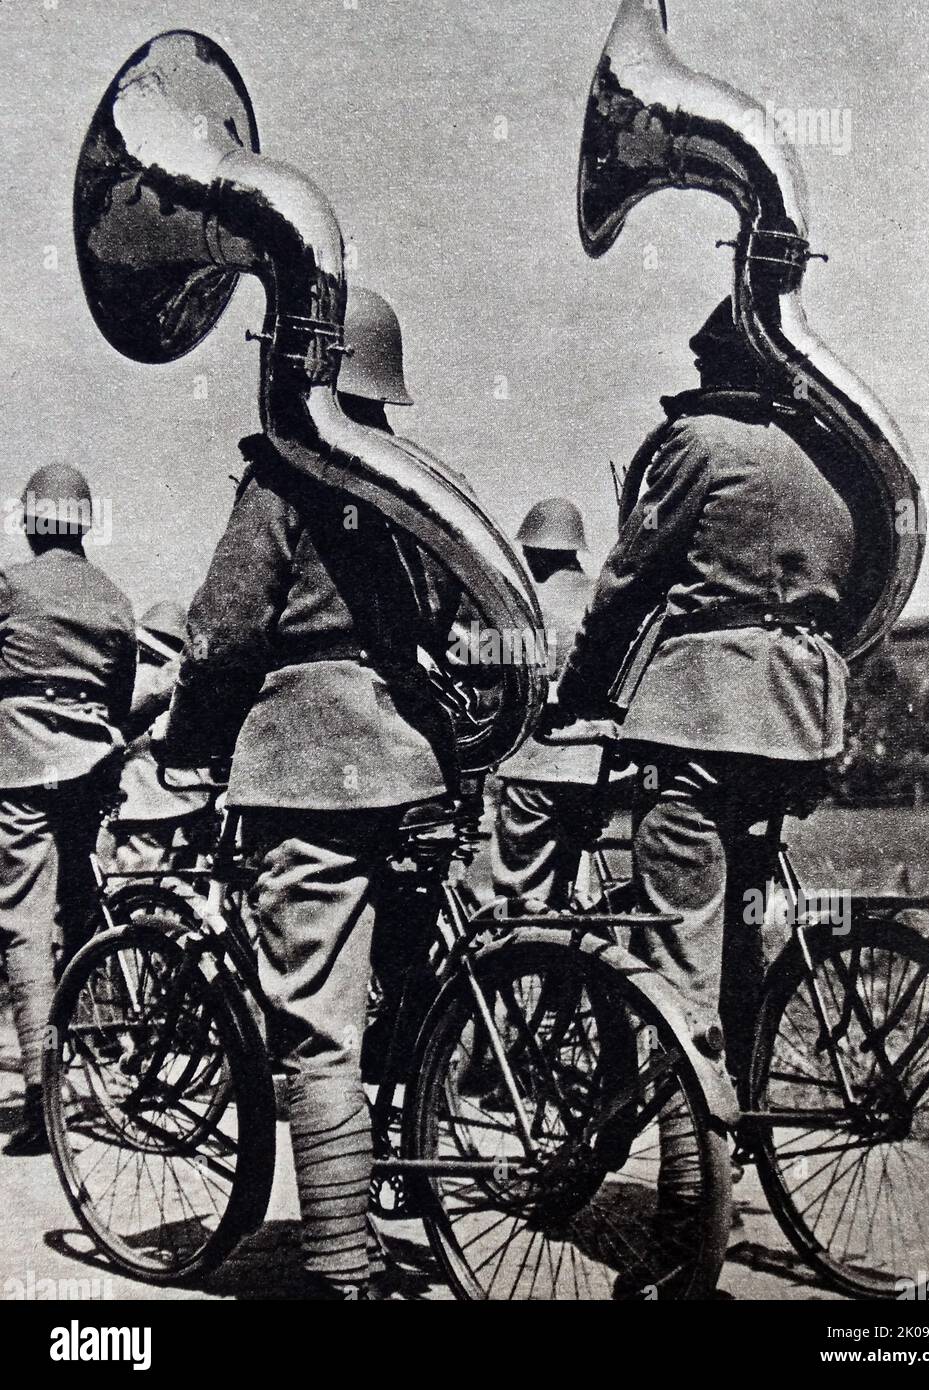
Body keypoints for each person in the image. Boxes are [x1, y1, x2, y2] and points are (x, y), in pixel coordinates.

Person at [162, 288, 455, 1298]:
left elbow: (223, 631)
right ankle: (405, 1176)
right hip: (413, 763)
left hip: (309, 765)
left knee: (318, 1021)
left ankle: (339, 1261)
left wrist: (186, 745)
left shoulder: (283, 477)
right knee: (400, 996)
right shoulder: (417, 485)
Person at [552, 297, 857, 1076]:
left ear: (717, 367)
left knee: (675, 953)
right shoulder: (828, 465)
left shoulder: (700, 442)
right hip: (799, 721)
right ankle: (744, 1122)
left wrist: (579, 693)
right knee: (738, 930)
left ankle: (691, 1189)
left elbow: (625, 580)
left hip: (704, 714)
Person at [0, 463, 134, 1155]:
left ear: (29, 521)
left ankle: (37, 1095)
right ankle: (91, 1060)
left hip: (20, 760)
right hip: (90, 762)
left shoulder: (10, 585)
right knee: (76, 909)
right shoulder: (112, 597)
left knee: (22, 921)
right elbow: (121, 695)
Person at [490, 499, 606, 909]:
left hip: (535, 768)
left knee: (520, 898)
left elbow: (477, 667)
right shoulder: (601, 599)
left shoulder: (523, 607)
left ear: (534, 550)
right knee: (575, 898)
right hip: (598, 771)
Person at [97, 600, 213, 878]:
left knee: (134, 872)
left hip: (146, 795)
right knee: (170, 870)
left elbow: (121, 726)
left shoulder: (147, 680)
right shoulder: (186, 683)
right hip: (187, 792)